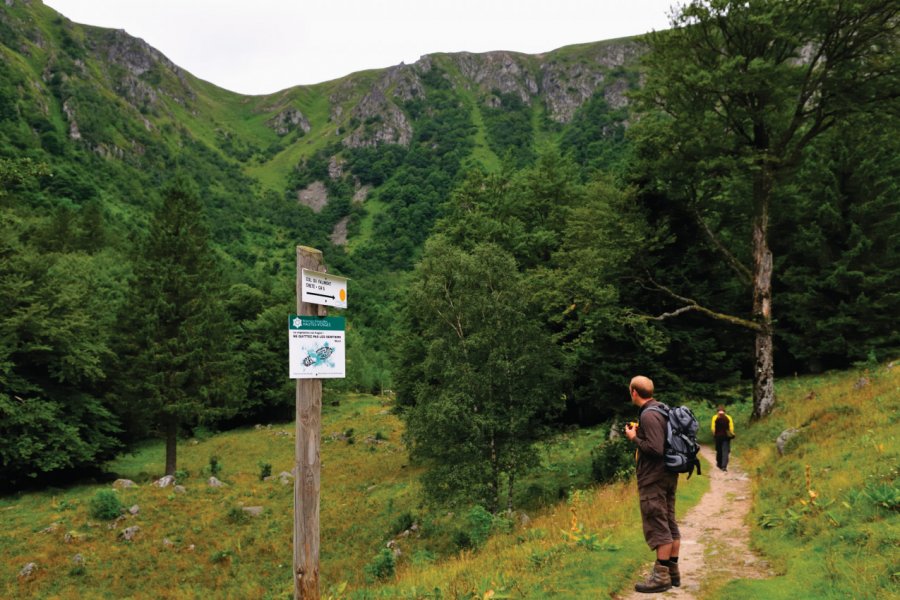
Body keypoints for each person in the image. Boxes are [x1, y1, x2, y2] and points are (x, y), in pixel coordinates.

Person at [624, 375, 680, 593]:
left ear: (634, 392)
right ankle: (673, 573)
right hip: (668, 475)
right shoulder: (661, 409)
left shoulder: (648, 415)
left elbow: (655, 450)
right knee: (669, 520)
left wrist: (634, 438)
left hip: (654, 478)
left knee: (658, 523)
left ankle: (660, 577)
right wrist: (641, 433)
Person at [711, 405, 735, 471]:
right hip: (726, 437)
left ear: (717, 412)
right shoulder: (728, 417)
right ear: (724, 412)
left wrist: (714, 435)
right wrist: (732, 434)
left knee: (719, 451)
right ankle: (724, 466)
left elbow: (713, 428)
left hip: (718, 437)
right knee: (725, 451)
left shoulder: (715, 417)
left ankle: (719, 463)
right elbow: (731, 428)